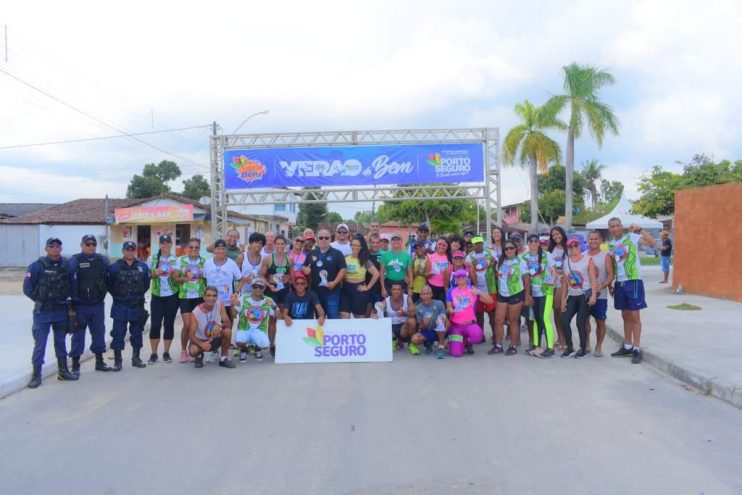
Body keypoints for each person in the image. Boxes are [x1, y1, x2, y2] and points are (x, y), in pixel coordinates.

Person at [24, 237, 78, 388]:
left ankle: (63, 371)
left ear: (61, 248)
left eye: (57, 246)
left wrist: (73, 307)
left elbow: (72, 287)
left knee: (61, 342)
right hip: (43, 312)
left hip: (61, 310)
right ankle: (36, 375)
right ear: (46, 248)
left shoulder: (68, 265)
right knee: (40, 344)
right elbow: (27, 288)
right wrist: (41, 299)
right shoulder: (36, 266)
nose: (55, 248)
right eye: (51, 246)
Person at [608, 218, 656, 364]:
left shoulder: (632, 237)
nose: (616, 228)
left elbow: (652, 244)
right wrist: (611, 284)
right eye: (612, 226)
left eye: (618, 225)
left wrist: (639, 229)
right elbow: (613, 266)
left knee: (635, 316)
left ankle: (636, 348)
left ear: (621, 226)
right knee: (625, 315)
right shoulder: (611, 245)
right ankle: (627, 346)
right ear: (609, 229)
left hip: (633, 280)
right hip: (620, 282)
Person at [69, 234, 112, 374]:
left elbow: (111, 277)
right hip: (80, 306)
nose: (91, 246)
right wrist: (72, 299)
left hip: (97, 305)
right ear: (81, 245)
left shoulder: (102, 260)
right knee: (78, 336)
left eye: (94, 244)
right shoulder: (74, 261)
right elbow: (68, 280)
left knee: (99, 333)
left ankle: (99, 362)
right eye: (88, 244)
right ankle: (75, 365)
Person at [106, 241, 151, 371]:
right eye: (127, 250)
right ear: (123, 251)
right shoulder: (114, 267)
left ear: (135, 251)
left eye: (132, 250)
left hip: (136, 306)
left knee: (137, 333)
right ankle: (118, 361)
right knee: (118, 334)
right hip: (120, 305)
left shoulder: (143, 267)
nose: (130, 252)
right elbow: (110, 285)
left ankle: (136, 358)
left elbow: (146, 285)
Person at [488, 240, 531, 356]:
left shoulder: (521, 262)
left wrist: (526, 297)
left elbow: (526, 282)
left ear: (516, 249)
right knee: (498, 320)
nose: (509, 250)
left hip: (516, 294)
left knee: (513, 321)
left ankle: (513, 346)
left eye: (511, 248)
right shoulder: (500, 262)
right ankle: (498, 345)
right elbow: (498, 277)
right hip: (502, 294)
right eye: (506, 249)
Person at [560, 237, 598, 358]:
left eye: (576, 245)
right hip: (572, 295)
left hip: (584, 295)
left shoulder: (588, 260)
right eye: (570, 246)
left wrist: (593, 295)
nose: (573, 248)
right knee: (564, 320)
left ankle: (583, 348)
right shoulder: (566, 262)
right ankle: (570, 347)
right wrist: (562, 299)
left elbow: (593, 278)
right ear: (568, 249)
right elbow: (565, 282)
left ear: (580, 246)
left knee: (580, 322)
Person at [521, 234, 556, 358]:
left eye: (536, 241)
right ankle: (536, 345)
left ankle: (550, 348)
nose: (533, 243)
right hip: (533, 293)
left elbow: (554, 271)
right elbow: (524, 277)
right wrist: (528, 294)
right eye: (531, 241)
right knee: (536, 319)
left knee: (545, 319)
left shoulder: (547, 255)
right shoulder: (524, 257)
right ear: (528, 243)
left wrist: (551, 281)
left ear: (539, 243)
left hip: (546, 292)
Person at [147, 234, 179, 364]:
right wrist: (155, 273)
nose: (165, 245)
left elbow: (177, 279)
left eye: (167, 243)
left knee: (168, 324)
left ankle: (166, 352)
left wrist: (179, 277)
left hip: (172, 295)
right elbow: (147, 275)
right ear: (159, 245)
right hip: (157, 296)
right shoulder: (152, 259)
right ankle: (154, 353)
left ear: (171, 244)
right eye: (162, 243)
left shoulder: (175, 259)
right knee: (155, 325)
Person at [174, 237, 206, 364]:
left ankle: (195, 350)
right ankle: (183, 351)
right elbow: (175, 280)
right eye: (191, 247)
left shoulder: (204, 261)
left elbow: (206, 279)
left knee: (196, 325)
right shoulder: (180, 260)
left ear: (199, 248)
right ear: (188, 248)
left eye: (196, 247)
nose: (193, 249)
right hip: (185, 296)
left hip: (199, 297)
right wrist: (185, 278)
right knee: (187, 325)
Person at [446, 269, 493, 357]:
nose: (460, 278)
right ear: (455, 279)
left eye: (463, 276)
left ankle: (467, 342)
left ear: (466, 278)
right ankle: (460, 342)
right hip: (456, 325)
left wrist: (479, 292)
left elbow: (490, 301)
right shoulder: (451, 291)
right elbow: (448, 308)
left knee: (478, 336)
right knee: (456, 354)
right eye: (458, 277)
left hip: (469, 324)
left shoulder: (473, 290)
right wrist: (450, 310)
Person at [302, 228, 347, 319]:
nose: (323, 240)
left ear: (330, 239)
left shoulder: (337, 253)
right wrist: (305, 269)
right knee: (319, 317)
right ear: (317, 240)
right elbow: (304, 266)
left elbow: (343, 269)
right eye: (321, 238)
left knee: (333, 316)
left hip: (332, 292)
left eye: (326, 238)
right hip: (316, 292)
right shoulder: (312, 253)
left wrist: (334, 283)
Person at [188, 286, 236, 369]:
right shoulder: (196, 312)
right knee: (193, 351)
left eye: (214, 296)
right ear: (204, 297)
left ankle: (223, 358)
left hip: (214, 337)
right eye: (208, 295)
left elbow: (228, 323)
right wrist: (202, 344)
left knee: (227, 331)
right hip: (200, 340)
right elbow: (191, 335)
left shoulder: (220, 304)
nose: (211, 298)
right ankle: (199, 356)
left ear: (217, 297)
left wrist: (219, 325)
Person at [584, 231, 615, 357]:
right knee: (585, 320)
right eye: (591, 239)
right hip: (585, 294)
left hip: (600, 294)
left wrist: (602, 286)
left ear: (601, 240)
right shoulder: (583, 255)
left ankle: (598, 346)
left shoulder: (605, 256)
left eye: (596, 239)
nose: (593, 241)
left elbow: (611, 274)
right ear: (588, 240)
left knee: (600, 321)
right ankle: (586, 344)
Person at [231, 277, 276, 362]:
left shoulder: (268, 300)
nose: (258, 289)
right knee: (239, 340)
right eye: (255, 286)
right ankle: (243, 351)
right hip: (245, 329)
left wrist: (272, 306)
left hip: (259, 331)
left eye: (260, 287)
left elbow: (279, 316)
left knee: (265, 344)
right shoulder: (243, 298)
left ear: (264, 288)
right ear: (251, 287)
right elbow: (233, 315)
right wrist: (233, 304)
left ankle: (257, 348)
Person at [202, 239, 242, 326]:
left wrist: (236, 292)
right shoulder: (207, 263)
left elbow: (241, 279)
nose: (221, 251)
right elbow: (204, 279)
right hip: (211, 302)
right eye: (218, 248)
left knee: (227, 328)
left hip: (226, 302)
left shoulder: (231, 264)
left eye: (223, 249)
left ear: (226, 250)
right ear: (214, 250)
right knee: (210, 328)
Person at [465, 236, 497, 345]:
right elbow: (467, 274)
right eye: (476, 243)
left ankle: (495, 335)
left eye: (480, 243)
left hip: (490, 288)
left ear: (483, 243)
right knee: (479, 314)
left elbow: (497, 268)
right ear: (472, 245)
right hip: (476, 289)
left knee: (492, 313)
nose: (478, 245)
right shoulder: (469, 257)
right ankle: (481, 335)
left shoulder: (491, 253)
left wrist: (495, 262)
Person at [340, 235, 380, 319]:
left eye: (358, 245)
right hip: (345, 290)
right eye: (353, 245)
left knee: (359, 318)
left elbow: (376, 274)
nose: (355, 247)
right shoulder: (345, 257)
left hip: (359, 290)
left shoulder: (364, 260)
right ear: (350, 245)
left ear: (361, 247)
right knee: (344, 316)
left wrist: (368, 287)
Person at [260, 235, 293, 332]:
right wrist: (268, 285)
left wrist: (287, 278)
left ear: (285, 245)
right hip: (271, 290)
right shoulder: (268, 259)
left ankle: (282, 344)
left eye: (282, 244)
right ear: (274, 245)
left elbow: (292, 276)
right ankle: (271, 345)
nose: (280, 246)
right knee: (273, 317)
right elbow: (261, 275)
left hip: (284, 289)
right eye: (278, 244)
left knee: (283, 316)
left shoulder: (289, 260)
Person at [374, 282, 417, 353]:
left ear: (402, 291)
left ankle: (412, 344)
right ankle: (394, 340)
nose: (396, 291)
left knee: (412, 321)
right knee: (378, 322)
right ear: (391, 290)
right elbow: (379, 308)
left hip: (404, 327)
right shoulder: (386, 301)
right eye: (394, 289)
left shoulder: (407, 299)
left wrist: (404, 314)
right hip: (391, 328)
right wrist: (376, 314)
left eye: (398, 289)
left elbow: (414, 315)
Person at [412, 285, 448, 358]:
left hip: (441, 330)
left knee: (441, 322)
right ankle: (428, 343)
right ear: (420, 296)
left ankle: (441, 346)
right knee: (415, 339)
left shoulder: (439, 303)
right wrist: (425, 324)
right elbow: (420, 326)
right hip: (428, 331)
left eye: (428, 294)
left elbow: (445, 319)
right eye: (423, 294)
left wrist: (441, 324)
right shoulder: (418, 308)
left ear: (431, 295)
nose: (426, 296)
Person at [548, 226, 568, 349]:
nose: (556, 236)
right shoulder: (550, 250)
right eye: (553, 235)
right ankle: (560, 337)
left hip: (564, 282)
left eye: (558, 234)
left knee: (559, 307)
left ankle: (564, 337)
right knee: (555, 311)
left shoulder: (569, 248)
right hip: (552, 282)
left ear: (562, 233)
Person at [380, 233, 413, 298]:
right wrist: (383, 288)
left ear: (401, 242)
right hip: (389, 283)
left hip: (402, 284)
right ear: (390, 242)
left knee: (402, 305)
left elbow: (410, 273)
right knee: (388, 304)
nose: (396, 242)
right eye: (393, 240)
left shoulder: (407, 256)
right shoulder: (385, 255)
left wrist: (410, 288)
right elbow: (381, 272)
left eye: (398, 240)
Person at [426, 237, 450, 304]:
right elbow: (426, 274)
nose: (441, 246)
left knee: (442, 308)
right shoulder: (430, 256)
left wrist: (446, 273)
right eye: (439, 244)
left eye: (444, 245)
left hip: (444, 288)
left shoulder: (449, 258)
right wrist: (433, 272)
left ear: (447, 246)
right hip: (432, 286)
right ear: (436, 245)